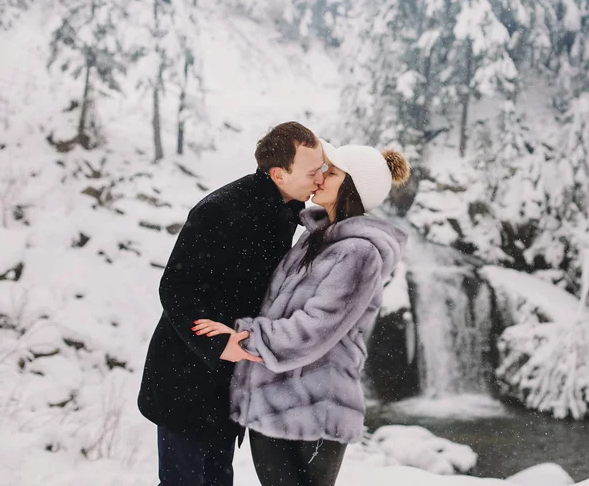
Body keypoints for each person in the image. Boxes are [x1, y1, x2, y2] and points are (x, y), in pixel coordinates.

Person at [193, 139, 410, 486]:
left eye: (333, 172)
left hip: (314, 409)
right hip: (275, 402)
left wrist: (243, 337)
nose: (321, 177)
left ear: (352, 188)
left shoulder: (358, 253)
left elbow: (313, 330)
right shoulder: (316, 239)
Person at [137, 121, 327, 486]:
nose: (319, 177)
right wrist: (216, 342)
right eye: (312, 171)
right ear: (279, 174)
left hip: (228, 383)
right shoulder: (222, 210)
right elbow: (176, 287)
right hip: (187, 378)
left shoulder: (289, 207)